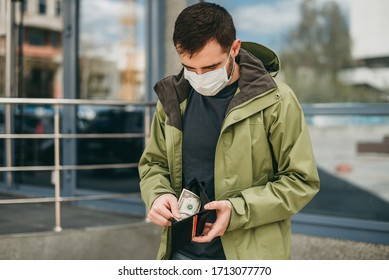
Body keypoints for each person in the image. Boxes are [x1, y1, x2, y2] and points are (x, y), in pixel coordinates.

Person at [138, 2, 320, 260]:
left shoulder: (277, 100)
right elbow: (153, 164)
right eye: (190, 68)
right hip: (180, 254)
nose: (199, 77)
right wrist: (158, 195)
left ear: (234, 48)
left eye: (210, 68)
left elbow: (301, 180)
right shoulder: (172, 98)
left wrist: (237, 211)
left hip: (249, 257)